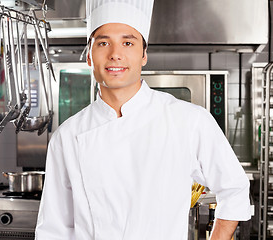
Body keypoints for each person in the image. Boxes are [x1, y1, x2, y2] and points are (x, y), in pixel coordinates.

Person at [35, 0, 251, 239]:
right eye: (104, 43)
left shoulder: (189, 120)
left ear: (144, 55)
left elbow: (234, 189)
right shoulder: (67, 136)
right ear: (89, 56)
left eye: (128, 43)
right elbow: (54, 229)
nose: (115, 54)